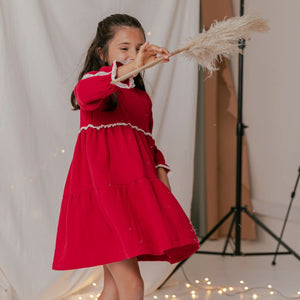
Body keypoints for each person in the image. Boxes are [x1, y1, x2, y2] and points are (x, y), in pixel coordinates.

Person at [52, 13, 200, 300]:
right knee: (132, 285)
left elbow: (147, 144)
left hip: (129, 200)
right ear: (101, 52)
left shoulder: (140, 98)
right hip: (102, 198)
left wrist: (161, 187)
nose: (134, 54)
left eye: (139, 47)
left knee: (114, 287)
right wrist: (133, 66)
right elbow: (84, 94)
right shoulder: (97, 83)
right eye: (124, 48)